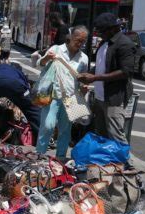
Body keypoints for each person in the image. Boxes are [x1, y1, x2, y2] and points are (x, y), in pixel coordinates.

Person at [78, 13, 135, 144]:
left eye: (102, 31)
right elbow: (100, 66)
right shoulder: (104, 43)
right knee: (101, 133)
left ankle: (126, 163)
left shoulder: (124, 44)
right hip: (100, 96)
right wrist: (87, 74)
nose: (99, 34)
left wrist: (95, 77)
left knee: (115, 134)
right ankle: (105, 161)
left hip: (114, 97)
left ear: (113, 28)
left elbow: (126, 72)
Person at [36, 26, 89, 159]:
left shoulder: (84, 58)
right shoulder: (56, 49)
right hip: (53, 95)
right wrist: (47, 58)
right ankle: (39, 155)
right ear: (70, 37)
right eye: (78, 40)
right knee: (48, 126)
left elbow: (82, 78)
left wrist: (83, 86)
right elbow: (39, 64)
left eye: (83, 41)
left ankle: (60, 158)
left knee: (65, 131)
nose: (80, 44)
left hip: (70, 97)